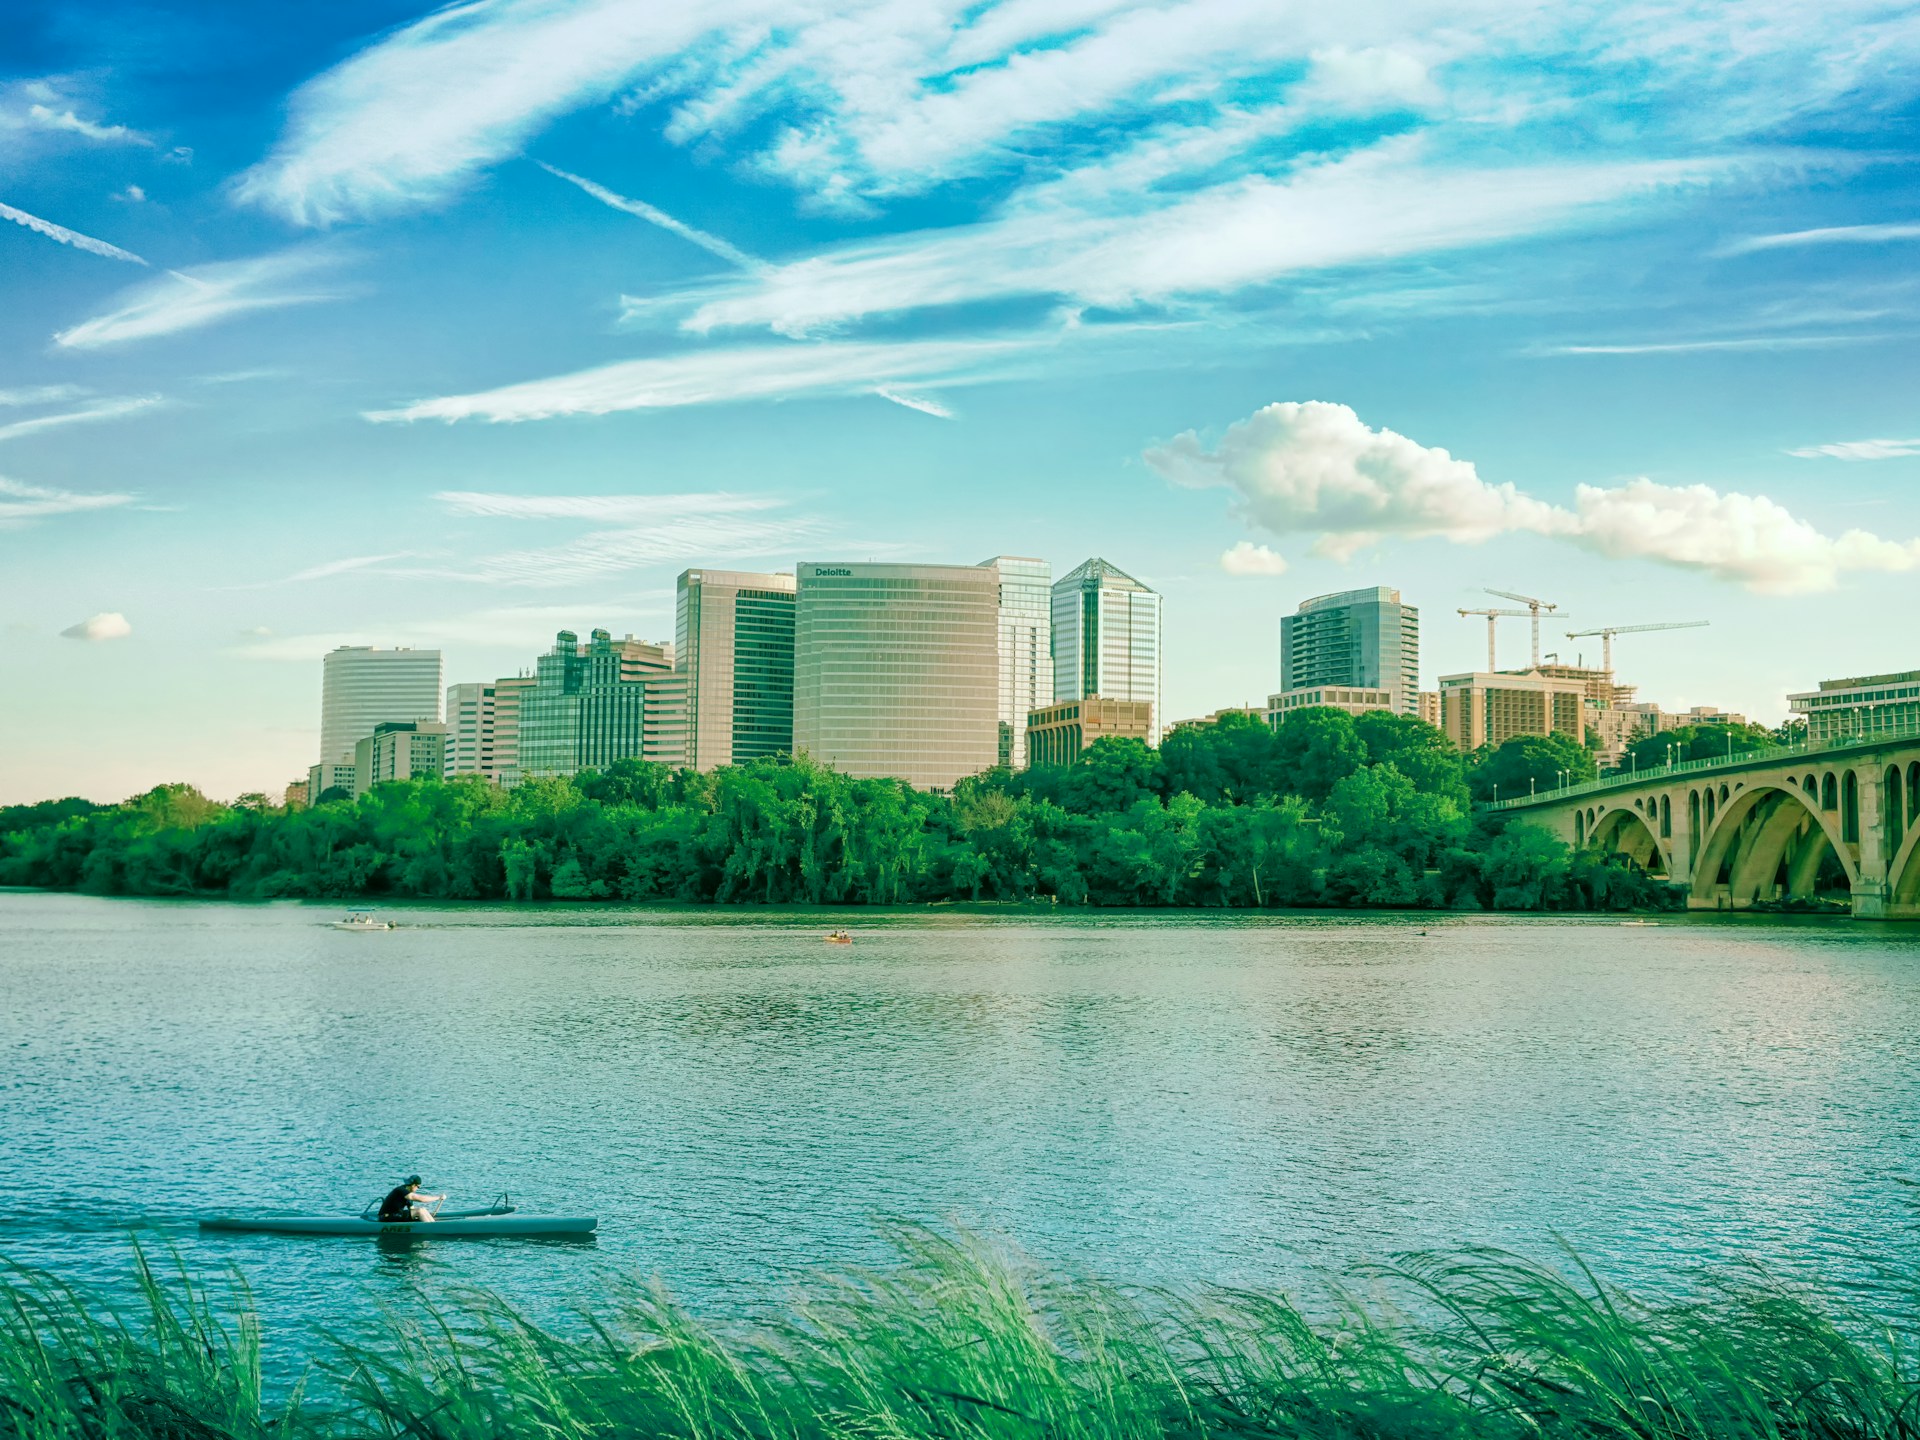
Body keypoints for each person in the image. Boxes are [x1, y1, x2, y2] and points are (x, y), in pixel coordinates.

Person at [377, 1175, 444, 1222]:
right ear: (413, 1185)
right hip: (385, 1217)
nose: (418, 1189)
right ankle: (432, 1228)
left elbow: (411, 1210)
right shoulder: (401, 1190)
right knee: (419, 1211)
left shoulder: (408, 1193)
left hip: (396, 1214)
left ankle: (433, 1224)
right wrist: (438, 1197)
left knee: (422, 1209)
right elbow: (421, 1199)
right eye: (418, 1187)